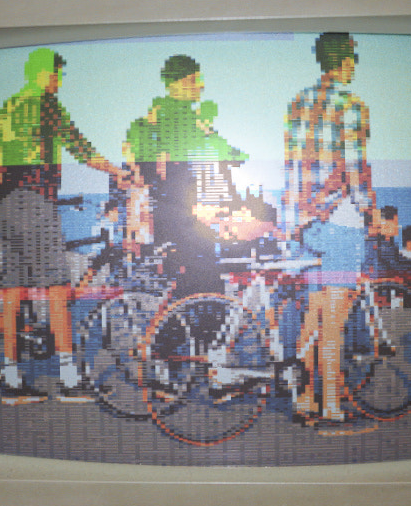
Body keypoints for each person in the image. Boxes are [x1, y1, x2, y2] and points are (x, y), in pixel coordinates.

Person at [0, 48, 126, 394]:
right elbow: (80, 148)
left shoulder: (9, 106)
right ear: (40, 74)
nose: (58, 81)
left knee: (12, 291)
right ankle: (69, 378)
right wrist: (116, 171)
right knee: (56, 289)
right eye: (55, 74)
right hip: (35, 202)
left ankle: (11, 378)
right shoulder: (44, 104)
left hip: (6, 204)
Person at [284, 32, 374, 423]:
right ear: (347, 61)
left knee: (313, 315)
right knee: (334, 319)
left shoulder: (298, 103)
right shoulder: (352, 105)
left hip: (306, 223)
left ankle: (304, 399)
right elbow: (355, 169)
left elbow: (291, 169)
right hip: (340, 221)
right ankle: (333, 405)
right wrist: (372, 212)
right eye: (353, 58)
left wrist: (293, 221)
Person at [123, 54, 268, 296]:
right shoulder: (179, 116)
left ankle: (173, 327)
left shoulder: (150, 118)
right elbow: (234, 155)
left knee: (187, 281)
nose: (200, 85)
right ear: (174, 84)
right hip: (183, 218)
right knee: (205, 283)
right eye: (193, 80)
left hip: (163, 213)